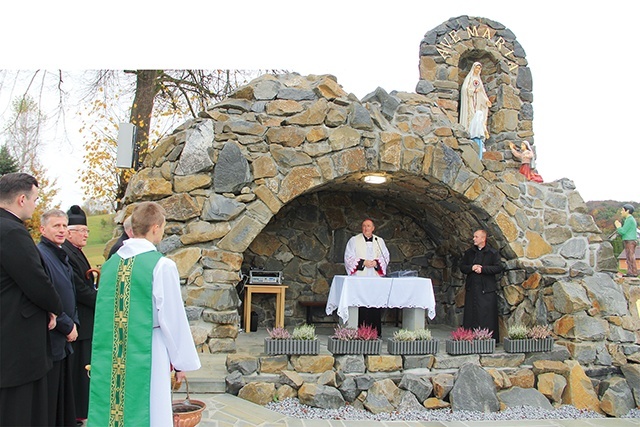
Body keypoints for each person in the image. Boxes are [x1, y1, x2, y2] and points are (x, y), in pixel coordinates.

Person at [88, 201, 201, 427]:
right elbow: (172, 317)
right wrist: (181, 363)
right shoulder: (162, 266)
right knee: (152, 410)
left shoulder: (110, 265)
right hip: (150, 348)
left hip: (113, 351)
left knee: (115, 407)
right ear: (156, 228)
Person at [0, 172, 64, 426]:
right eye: (36, 199)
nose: (36, 205)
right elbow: (36, 282)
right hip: (16, 339)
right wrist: (54, 309)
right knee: (19, 410)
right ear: (22, 199)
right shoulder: (11, 232)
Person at [37, 209, 80, 426]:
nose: (62, 230)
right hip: (52, 338)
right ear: (42, 229)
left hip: (64, 339)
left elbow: (70, 292)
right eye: (56, 226)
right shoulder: (41, 255)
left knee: (63, 399)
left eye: (64, 225)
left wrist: (74, 323)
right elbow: (46, 296)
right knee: (51, 401)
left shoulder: (59, 254)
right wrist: (66, 325)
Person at [62, 205, 97, 424]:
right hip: (79, 320)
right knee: (78, 369)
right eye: (82, 231)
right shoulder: (67, 253)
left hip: (85, 320)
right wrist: (102, 301)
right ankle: (76, 412)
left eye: (87, 231)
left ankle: (81, 410)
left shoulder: (75, 251)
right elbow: (80, 289)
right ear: (69, 232)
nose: (85, 235)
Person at [344, 218, 390, 336]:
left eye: (368, 226)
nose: (366, 228)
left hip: (375, 278)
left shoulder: (379, 241)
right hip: (360, 278)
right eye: (364, 226)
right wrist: (363, 262)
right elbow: (348, 257)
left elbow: (385, 256)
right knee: (361, 302)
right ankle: (360, 331)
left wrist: (376, 263)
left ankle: (375, 331)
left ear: (373, 228)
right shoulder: (354, 240)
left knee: (374, 302)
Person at [460, 229, 503, 340]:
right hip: (472, 288)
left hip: (486, 289)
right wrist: (471, 267)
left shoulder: (492, 253)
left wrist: (483, 269)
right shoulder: (469, 253)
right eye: (474, 236)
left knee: (486, 314)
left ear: (483, 238)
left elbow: (498, 267)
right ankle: (469, 337)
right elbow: (463, 267)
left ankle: (487, 338)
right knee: (471, 314)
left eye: (476, 237)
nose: (474, 239)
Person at [460, 62, 492, 138]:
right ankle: (469, 132)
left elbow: (482, 92)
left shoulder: (479, 80)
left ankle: (478, 133)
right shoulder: (469, 78)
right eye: (476, 68)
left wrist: (486, 100)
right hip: (470, 100)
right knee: (472, 115)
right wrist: (473, 91)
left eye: (479, 68)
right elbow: (465, 89)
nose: (477, 70)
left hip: (477, 102)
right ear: (473, 68)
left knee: (478, 116)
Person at [615, 204, 638, 277]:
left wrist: (618, 227)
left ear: (627, 211)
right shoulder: (629, 219)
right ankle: (630, 271)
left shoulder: (630, 219)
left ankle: (633, 272)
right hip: (629, 240)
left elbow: (623, 231)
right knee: (628, 256)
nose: (621, 212)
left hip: (630, 240)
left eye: (622, 210)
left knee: (630, 256)